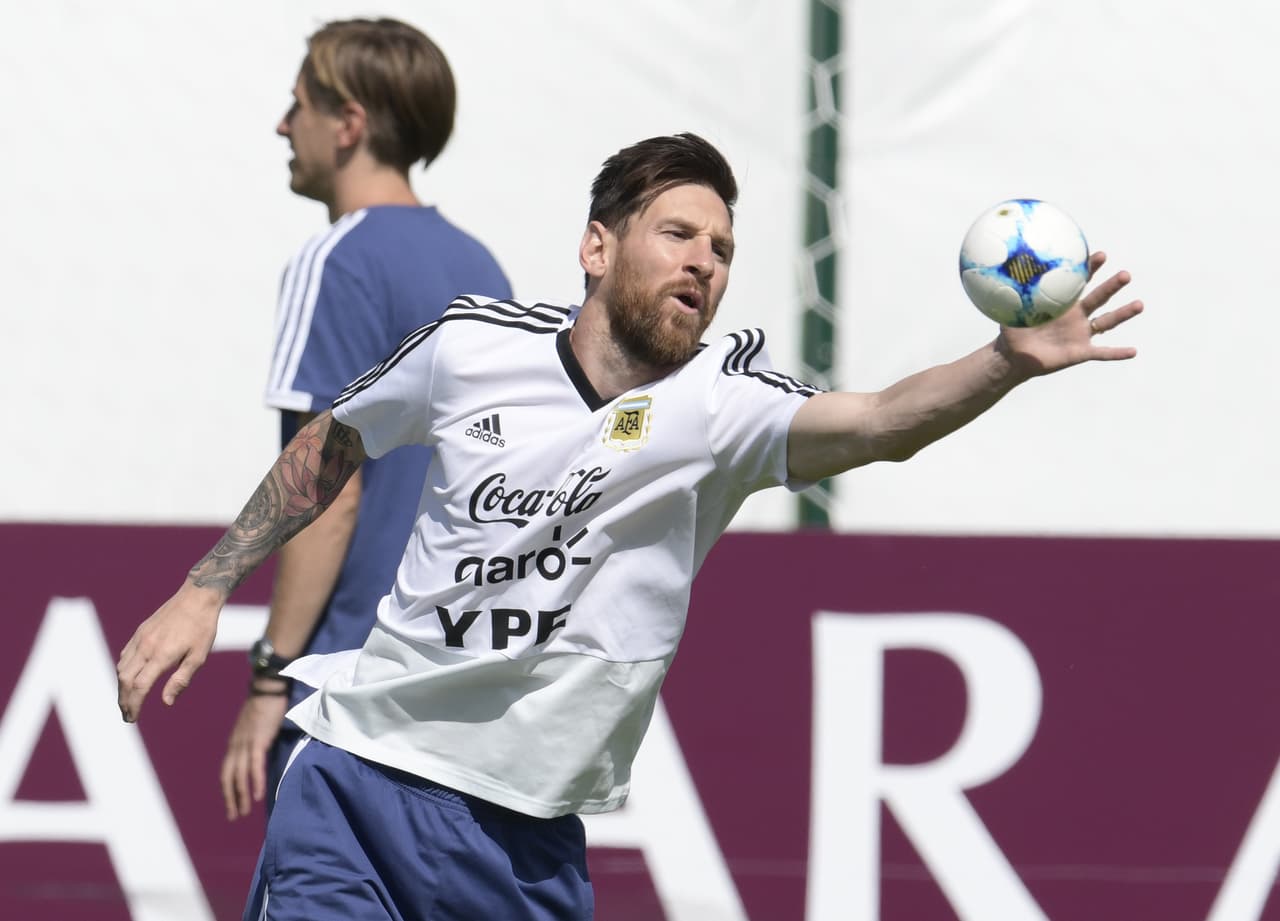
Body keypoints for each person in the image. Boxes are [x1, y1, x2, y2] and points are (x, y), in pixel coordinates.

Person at [117, 132, 1142, 920]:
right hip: (357, 779)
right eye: (679, 233)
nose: (704, 261)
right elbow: (330, 444)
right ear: (597, 246)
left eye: (723, 249)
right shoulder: (469, 347)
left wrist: (1001, 363)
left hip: (522, 842)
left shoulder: (722, 405)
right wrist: (205, 587)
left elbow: (878, 424)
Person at [218, 16, 512, 823]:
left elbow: (322, 488)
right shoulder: (482, 267)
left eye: (299, 103)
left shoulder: (336, 259)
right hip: (462, 689)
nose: (284, 125)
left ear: (348, 124)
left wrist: (273, 672)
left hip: (347, 692)